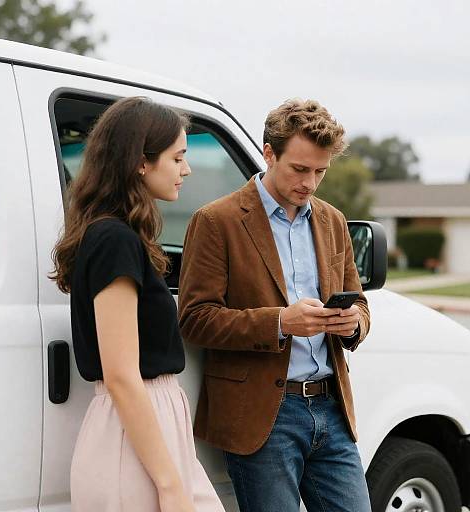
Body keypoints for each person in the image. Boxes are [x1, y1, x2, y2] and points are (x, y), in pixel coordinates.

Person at [178, 99, 372, 512]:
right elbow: (195, 320)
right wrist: (282, 322)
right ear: (269, 153)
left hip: (332, 409)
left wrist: (353, 322)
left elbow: (358, 300)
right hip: (264, 418)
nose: (310, 183)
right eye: (299, 169)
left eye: (320, 171)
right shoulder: (217, 221)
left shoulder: (333, 220)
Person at [50, 97, 225, 512]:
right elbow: (122, 376)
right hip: (134, 438)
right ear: (141, 162)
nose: (187, 169)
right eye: (178, 157)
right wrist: (169, 484)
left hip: (148, 431)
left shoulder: (119, 236)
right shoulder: (114, 241)